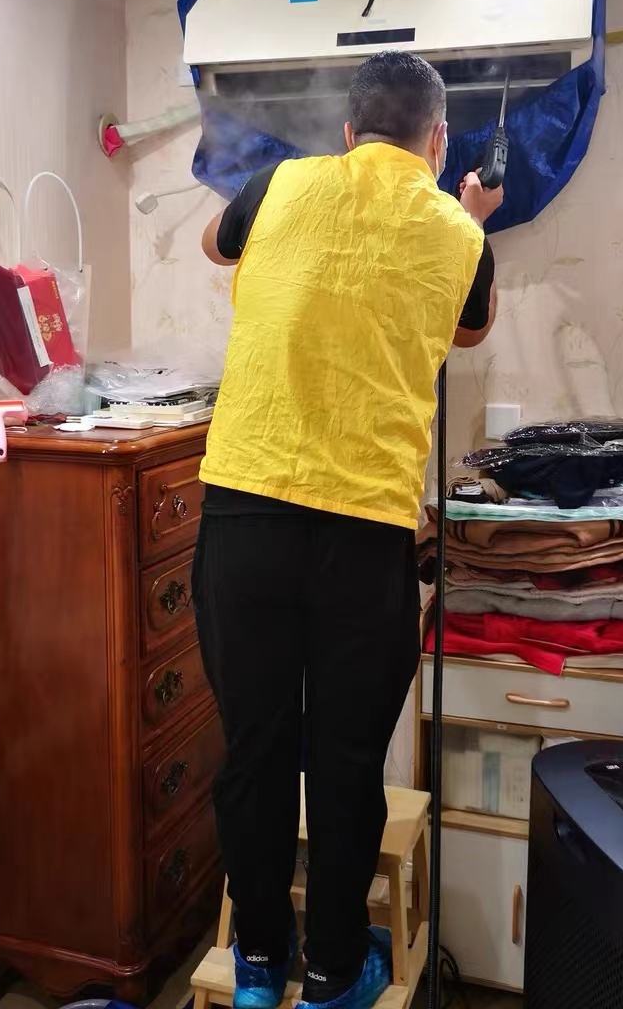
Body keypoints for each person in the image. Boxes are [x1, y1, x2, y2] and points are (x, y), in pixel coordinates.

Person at [194, 50, 502, 1009]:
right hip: (362, 531)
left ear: (346, 129)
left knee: (254, 747)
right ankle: (332, 972)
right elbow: (468, 331)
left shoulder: (279, 184)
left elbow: (215, 246)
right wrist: (468, 216)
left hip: (244, 509)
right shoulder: (460, 233)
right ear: (438, 140)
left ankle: (257, 962)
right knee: (344, 759)